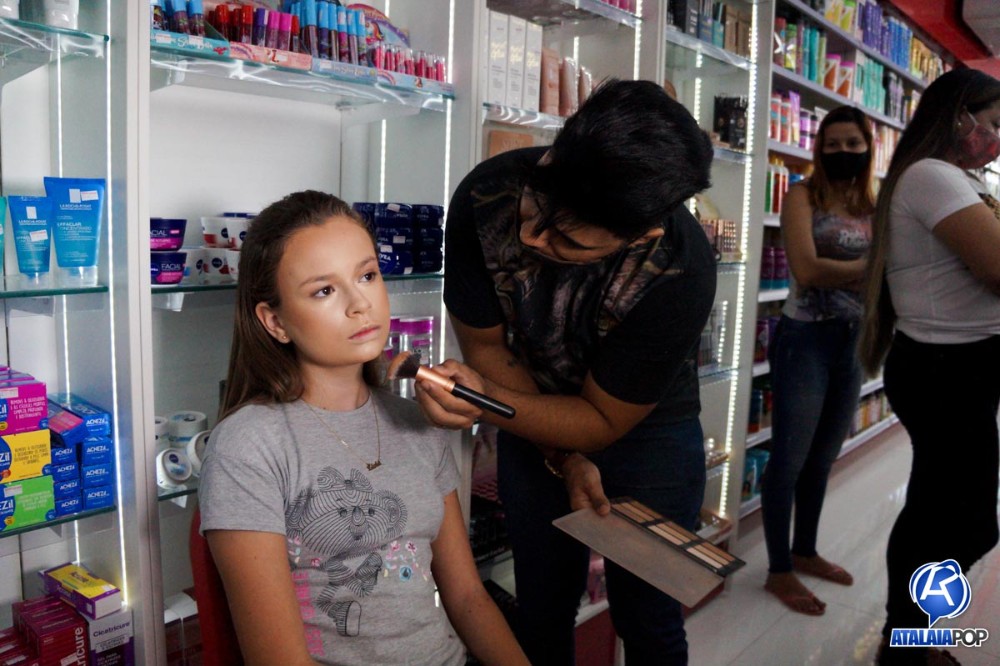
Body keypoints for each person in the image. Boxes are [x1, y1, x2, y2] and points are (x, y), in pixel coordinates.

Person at [414, 79, 717, 665]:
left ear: (643, 234)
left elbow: (602, 419)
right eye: (537, 206)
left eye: (566, 239)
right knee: (542, 608)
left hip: (648, 433)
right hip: (526, 406)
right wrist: (558, 454)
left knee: (650, 618)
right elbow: (487, 348)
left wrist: (491, 402)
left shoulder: (681, 268)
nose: (530, 236)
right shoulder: (487, 196)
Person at [198, 191, 529, 666]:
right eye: (324, 290)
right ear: (275, 322)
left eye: (367, 275)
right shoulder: (248, 446)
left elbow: (468, 597)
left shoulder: (418, 423)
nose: (360, 305)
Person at [858, 69, 1000, 666]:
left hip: (956, 367)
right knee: (961, 520)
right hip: (947, 371)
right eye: (993, 123)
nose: (997, 137)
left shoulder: (953, 179)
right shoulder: (932, 176)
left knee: (940, 511)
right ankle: (908, 641)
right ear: (958, 115)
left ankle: (912, 637)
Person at [761, 106, 874, 616]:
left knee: (822, 458)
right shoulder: (802, 196)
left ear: (868, 147)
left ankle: (804, 551)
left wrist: (845, 270)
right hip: (804, 340)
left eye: (853, 144)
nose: (843, 152)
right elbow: (806, 270)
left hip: (854, 342)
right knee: (788, 459)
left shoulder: (875, 202)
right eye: (833, 144)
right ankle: (778, 569)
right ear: (819, 148)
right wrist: (870, 267)